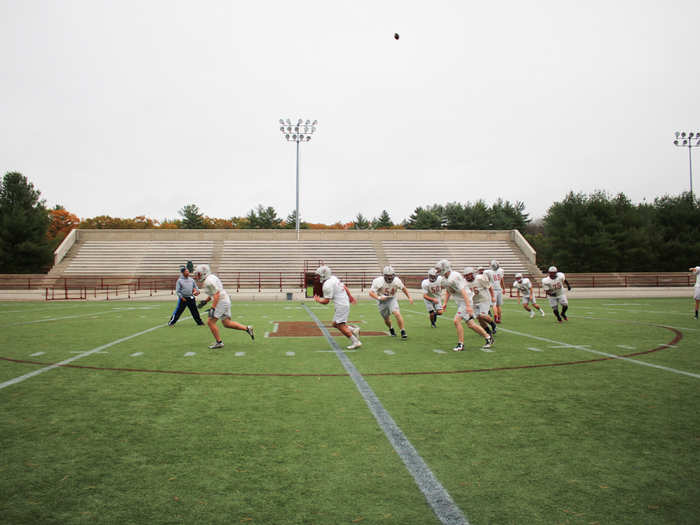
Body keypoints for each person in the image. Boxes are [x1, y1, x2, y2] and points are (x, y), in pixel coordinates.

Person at [434, 259, 493, 351]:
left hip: (466, 301)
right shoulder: (444, 279)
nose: (437, 271)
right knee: (471, 324)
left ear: (445, 268)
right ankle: (488, 338)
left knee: (456, 320)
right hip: (461, 302)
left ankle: (460, 344)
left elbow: (464, 291)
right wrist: (445, 303)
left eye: (439, 269)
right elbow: (449, 291)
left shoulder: (455, 276)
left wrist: (468, 306)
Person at [194, 264, 254, 349]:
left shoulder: (208, 281)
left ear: (204, 273)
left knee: (210, 322)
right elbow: (214, 292)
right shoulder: (211, 277)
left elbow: (216, 294)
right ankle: (247, 328)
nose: (197, 276)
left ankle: (219, 342)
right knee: (226, 323)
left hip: (221, 301)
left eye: (198, 274)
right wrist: (205, 302)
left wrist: (213, 308)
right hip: (224, 299)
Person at [313, 265, 362, 349]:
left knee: (340, 326)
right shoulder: (333, 278)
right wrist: (350, 296)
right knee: (335, 324)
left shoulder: (327, 285)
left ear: (323, 275)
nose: (316, 277)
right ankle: (353, 330)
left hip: (341, 305)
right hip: (343, 302)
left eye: (318, 275)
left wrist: (318, 300)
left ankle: (356, 342)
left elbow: (326, 301)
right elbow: (344, 287)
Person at [369, 265, 414, 339]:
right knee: (386, 319)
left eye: (391, 275)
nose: (390, 277)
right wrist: (379, 298)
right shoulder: (378, 281)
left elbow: (403, 288)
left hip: (391, 298)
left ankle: (403, 331)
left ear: (394, 275)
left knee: (397, 313)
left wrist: (409, 297)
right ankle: (391, 328)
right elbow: (371, 293)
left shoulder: (396, 280)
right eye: (388, 276)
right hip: (381, 301)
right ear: (384, 275)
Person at [464, 266, 497, 339]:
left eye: (468, 275)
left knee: (482, 315)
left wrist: (493, 296)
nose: (467, 277)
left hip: (484, 299)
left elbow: (489, 287)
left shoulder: (479, 279)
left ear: (472, 274)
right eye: (465, 275)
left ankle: (492, 324)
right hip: (474, 301)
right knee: (479, 318)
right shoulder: (464, 282)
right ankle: (488, 331)